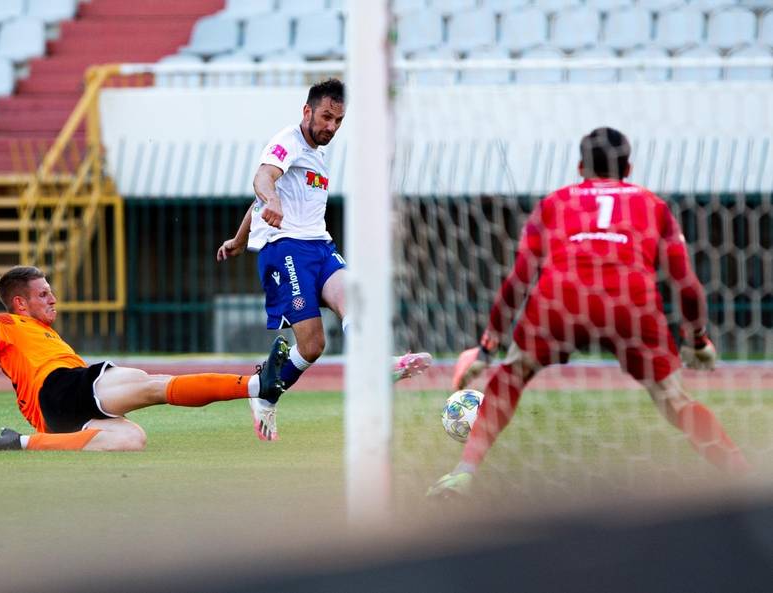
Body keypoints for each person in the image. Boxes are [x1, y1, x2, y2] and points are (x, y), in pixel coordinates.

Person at [428, 127, 749, 498]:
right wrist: (697, 339)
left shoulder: (555, 202)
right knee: (676, 401)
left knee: (510, 376)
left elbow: (519, 277)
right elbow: (685, 282)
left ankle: (464, 472)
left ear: (580, 166)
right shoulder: (653, 205)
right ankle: (743, 477)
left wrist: (487, 348)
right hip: (632, 303)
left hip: (561, 298)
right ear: (628, 168)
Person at [216, 78, 432, 441]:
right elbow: (263, 179)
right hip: (285, 249)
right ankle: (265, 394)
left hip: (319, 246)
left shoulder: (317, 154)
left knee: (353, 302)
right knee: (313, 344)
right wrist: (272, 200)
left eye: (338, 121)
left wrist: (238, 240)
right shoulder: (288, 141)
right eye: (326, 117)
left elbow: (260, 202)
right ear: (307, 111)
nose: (331, 126)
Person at [0, 265, 289, 452]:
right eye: (43, 294)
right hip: (59, 387)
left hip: (52, 415)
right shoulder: (7, 324)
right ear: (20, 303)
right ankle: (255, 385)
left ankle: (18, 443)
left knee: (131, 439)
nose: (52, 299)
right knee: (149, 383)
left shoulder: (43, 334)